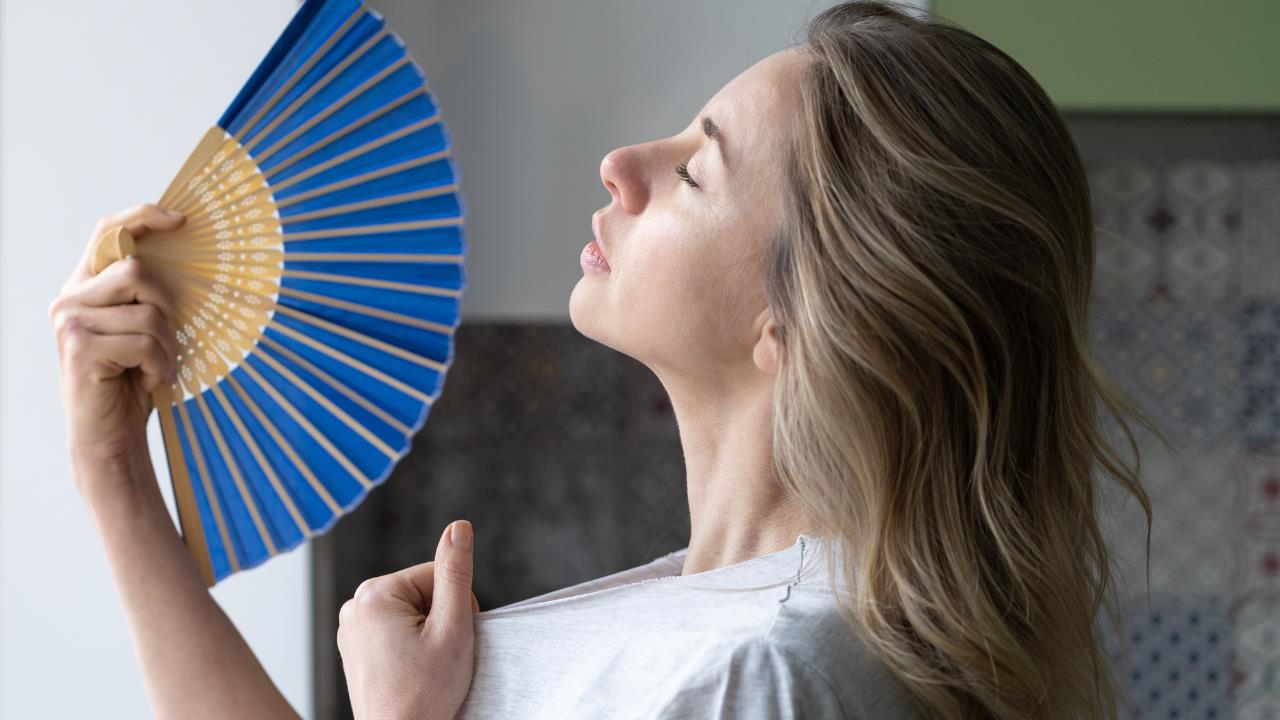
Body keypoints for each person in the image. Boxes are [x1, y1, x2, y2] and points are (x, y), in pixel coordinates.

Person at [49, 1, 1161, 718]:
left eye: (692, 173)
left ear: (799, 323)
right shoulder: (715, 614)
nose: (623, 162)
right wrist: (115, 473)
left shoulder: (764, 674)